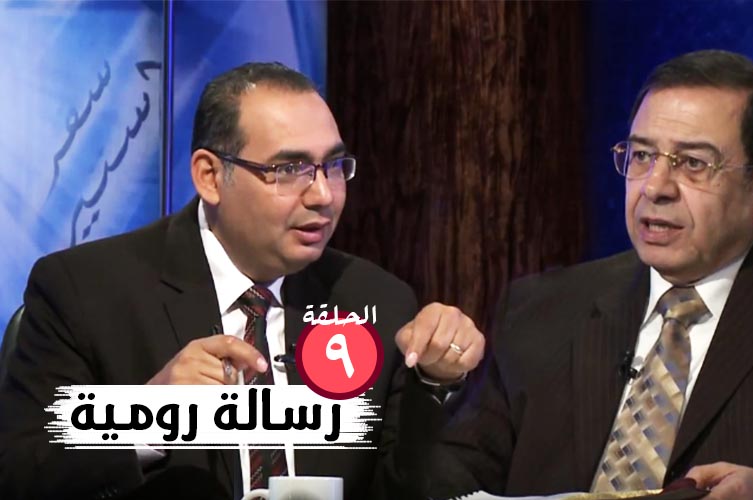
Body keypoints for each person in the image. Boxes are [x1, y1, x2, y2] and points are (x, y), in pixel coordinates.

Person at [419, 50, 753, 500]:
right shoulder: (540, 309)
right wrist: (428, 382)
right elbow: (450, 479)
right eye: (642, 156)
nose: (655, 187)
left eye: (693, 163)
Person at [0, 62, 485, 500]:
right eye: (290, 169)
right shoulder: (86, 291)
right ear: (210, 176)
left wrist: (434, 381)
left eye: (334, 166)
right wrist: (148, 416)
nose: (323, 195)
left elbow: (404, 488)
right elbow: (21, 473)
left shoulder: (372, 299)